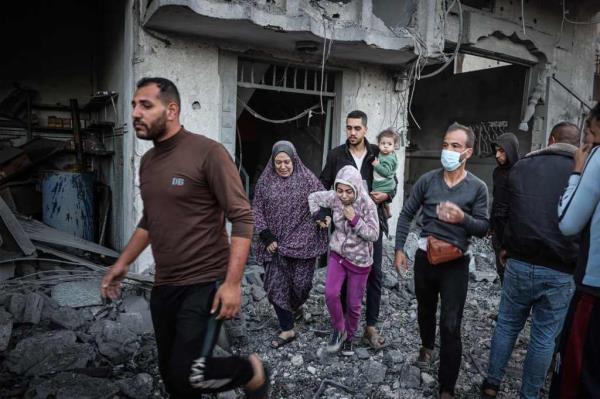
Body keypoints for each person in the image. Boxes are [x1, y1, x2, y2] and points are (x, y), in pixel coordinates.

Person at [100, 77, 268, 399]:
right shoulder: (148, 163)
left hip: (206, 282)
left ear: (172, 110)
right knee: (172, 377)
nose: (135, 112)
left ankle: (251, 371)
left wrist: (232, 283)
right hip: (165, 285)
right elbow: (150, 220)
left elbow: (242, 217)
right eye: (134, 105)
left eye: (146, 105)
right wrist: (122, 263)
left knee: (187, 374)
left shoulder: (208, 153)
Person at [480, 122, 580, 399]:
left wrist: (504, 246)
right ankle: (529, 394)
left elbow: (504, 211)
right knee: (544, 337)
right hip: (561, 269)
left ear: (551, 139)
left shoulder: (523, 166)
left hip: (519, 261)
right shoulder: (582, 172)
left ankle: (491, 384)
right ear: (577, 142)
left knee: (507, 325)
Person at [394, 122, 489, 399]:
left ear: (468, 152)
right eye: (446, 144)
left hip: (456, 263)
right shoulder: (428, 180)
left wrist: (462, 218)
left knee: (450, 324)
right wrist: (400, 248)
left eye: (455, 146)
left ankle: (447, 386)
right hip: (426, 257)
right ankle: (426, 344)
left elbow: (483, 227)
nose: (448, 150)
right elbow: (406, 214)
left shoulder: (478, 187)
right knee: (425, 308)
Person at [319, 110, 393, 349]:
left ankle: (370, 326)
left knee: (375, 274)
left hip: (373, 224)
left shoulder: (376, 151)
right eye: (349, 128)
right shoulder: (336, 155)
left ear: (365, 129)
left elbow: (392, 178)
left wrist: (389, 194)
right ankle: (340, 329)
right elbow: (324, 184)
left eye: (357, 128)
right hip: (344, 227)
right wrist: (324, 214)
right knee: (340, 279)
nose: (352, 132)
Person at [252, 140, 328, 349]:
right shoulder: (265, 182)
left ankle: (294, 308)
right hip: (274, 245)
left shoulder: (306, 178)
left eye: (287, 161)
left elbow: (323, 198)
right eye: (278, 162)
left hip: (303, 242)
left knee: (302, 286)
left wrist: (323, 215)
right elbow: (256, 209)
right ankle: (287, 328)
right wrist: (267, 236)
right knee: (276, 286)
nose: (283, 166)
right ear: (272, 162)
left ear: (294, 160)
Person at [549, 105, 600, 398]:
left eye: (592, 133)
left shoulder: (595, 157)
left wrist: (577, 173)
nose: (588, 142)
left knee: (577, 377)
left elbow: (568, 222)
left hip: (594, 291)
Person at [309, 165, 380, 356]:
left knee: (354, 304)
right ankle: (339, 330)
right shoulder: (334, 197)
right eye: (340, 190)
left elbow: (374, 235)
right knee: (331, 294)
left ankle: (349, 337)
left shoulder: (367, 204)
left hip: (360, 260)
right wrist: (320, 215)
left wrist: (355, 219)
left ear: (356, 188)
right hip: (338, 253)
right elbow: (313, 198)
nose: (344, 195)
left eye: (349, 191)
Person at [489, 132, 520, 283]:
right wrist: (491, 224)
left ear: (511, 150)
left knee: (513, 273)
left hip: (513, 231)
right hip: (498, 230)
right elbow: (496, 200)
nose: (497, 155)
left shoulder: (521, 171)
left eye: (501, 151)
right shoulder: (497, 172)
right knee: (501, 270)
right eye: (496, 150)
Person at [372, 128, 399, 219]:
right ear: (378, 144)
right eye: (383, 143)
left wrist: (377, 165)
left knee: (378, 199)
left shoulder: (389, 158)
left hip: (385, 184)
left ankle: (387, 212)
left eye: (389, 144)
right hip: (383, 183)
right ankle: (387, 211)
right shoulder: (382, 154)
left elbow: (387, 172)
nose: (386, 146)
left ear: (394, 146)